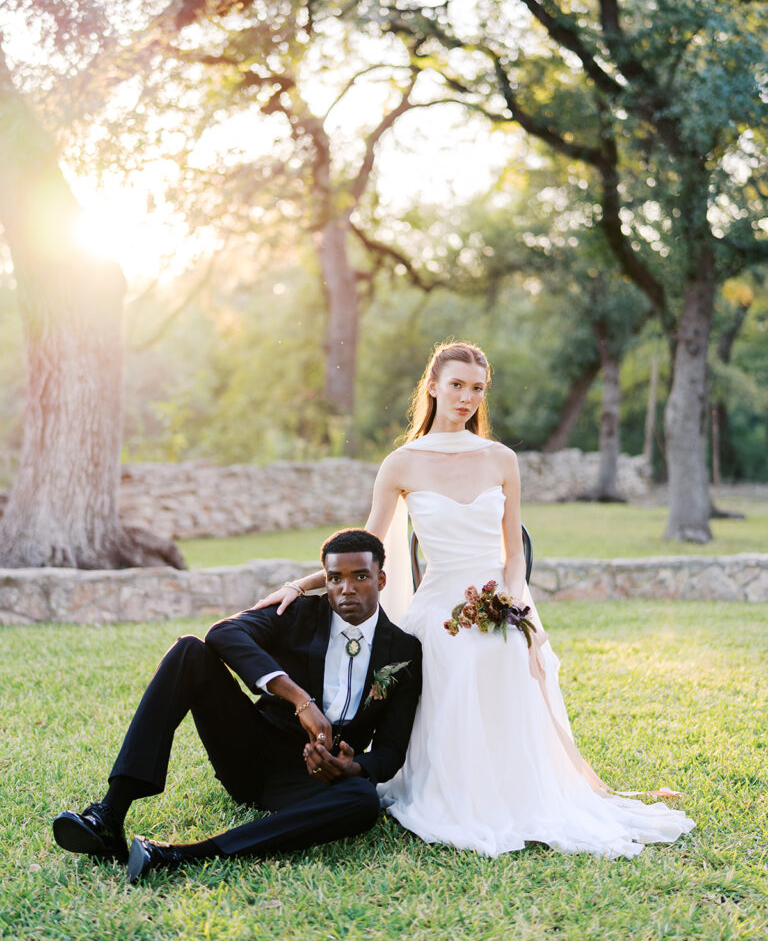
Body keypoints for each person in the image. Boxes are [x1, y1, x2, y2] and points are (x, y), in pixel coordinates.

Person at [258, 341, 695, 858]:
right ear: (433, 386)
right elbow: (366, 551)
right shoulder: (401, 463)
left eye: (477, 388)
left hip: (497, 597)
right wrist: (300, 584)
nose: (467, 397)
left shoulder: (501, 459)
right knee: (451, 653)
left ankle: (512, 792)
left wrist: (511, 599)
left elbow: (514, 552)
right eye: (457, 385)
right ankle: (457, 790)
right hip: (438, 602)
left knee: (502, 648)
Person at [53, 528, 422, 883]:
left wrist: (351, 767)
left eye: (360, 576)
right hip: (251, 755)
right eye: (334, 578)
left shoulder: (404, 651)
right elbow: (223, 633)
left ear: (381, 580)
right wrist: (299, 699)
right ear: (324, 581)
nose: (346, 589)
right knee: (189, 651)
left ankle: (183, 855)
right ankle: (108, 815)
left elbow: (390, 750)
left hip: (311, 784)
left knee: (363, 802)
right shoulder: (296, 614)